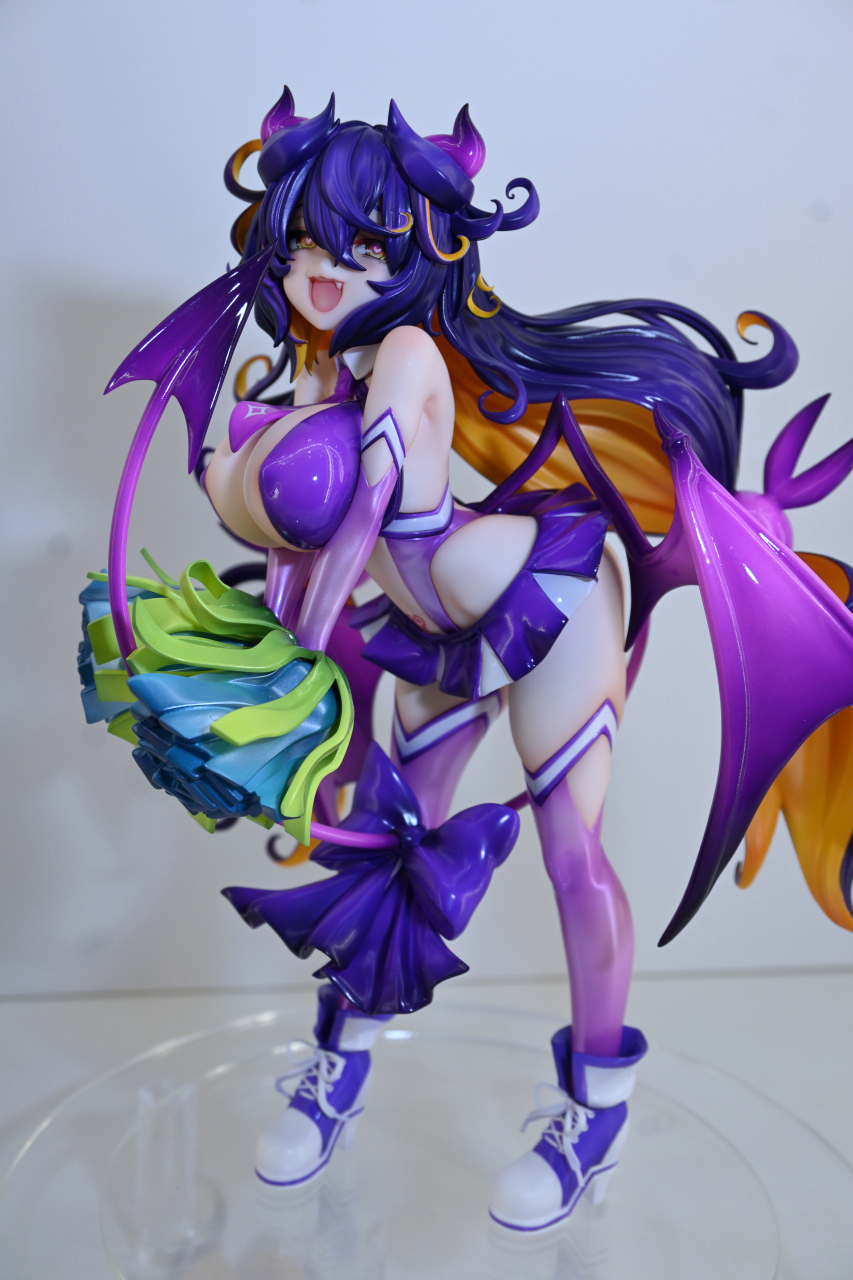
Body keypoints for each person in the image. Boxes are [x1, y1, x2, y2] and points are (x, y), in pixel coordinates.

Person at [87, 86, 853, 1232]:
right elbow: (291, 538)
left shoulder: (404, 352)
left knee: (570, 856)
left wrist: (297, 652)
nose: (322, 271)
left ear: (418, 254)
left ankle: (594, 1109)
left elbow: (363, 512)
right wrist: (229, 498)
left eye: (356, 247)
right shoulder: (323, 370)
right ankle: (337, 1066)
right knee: (387, 843)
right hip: (439, 627)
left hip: (547, 604)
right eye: (303, 244)